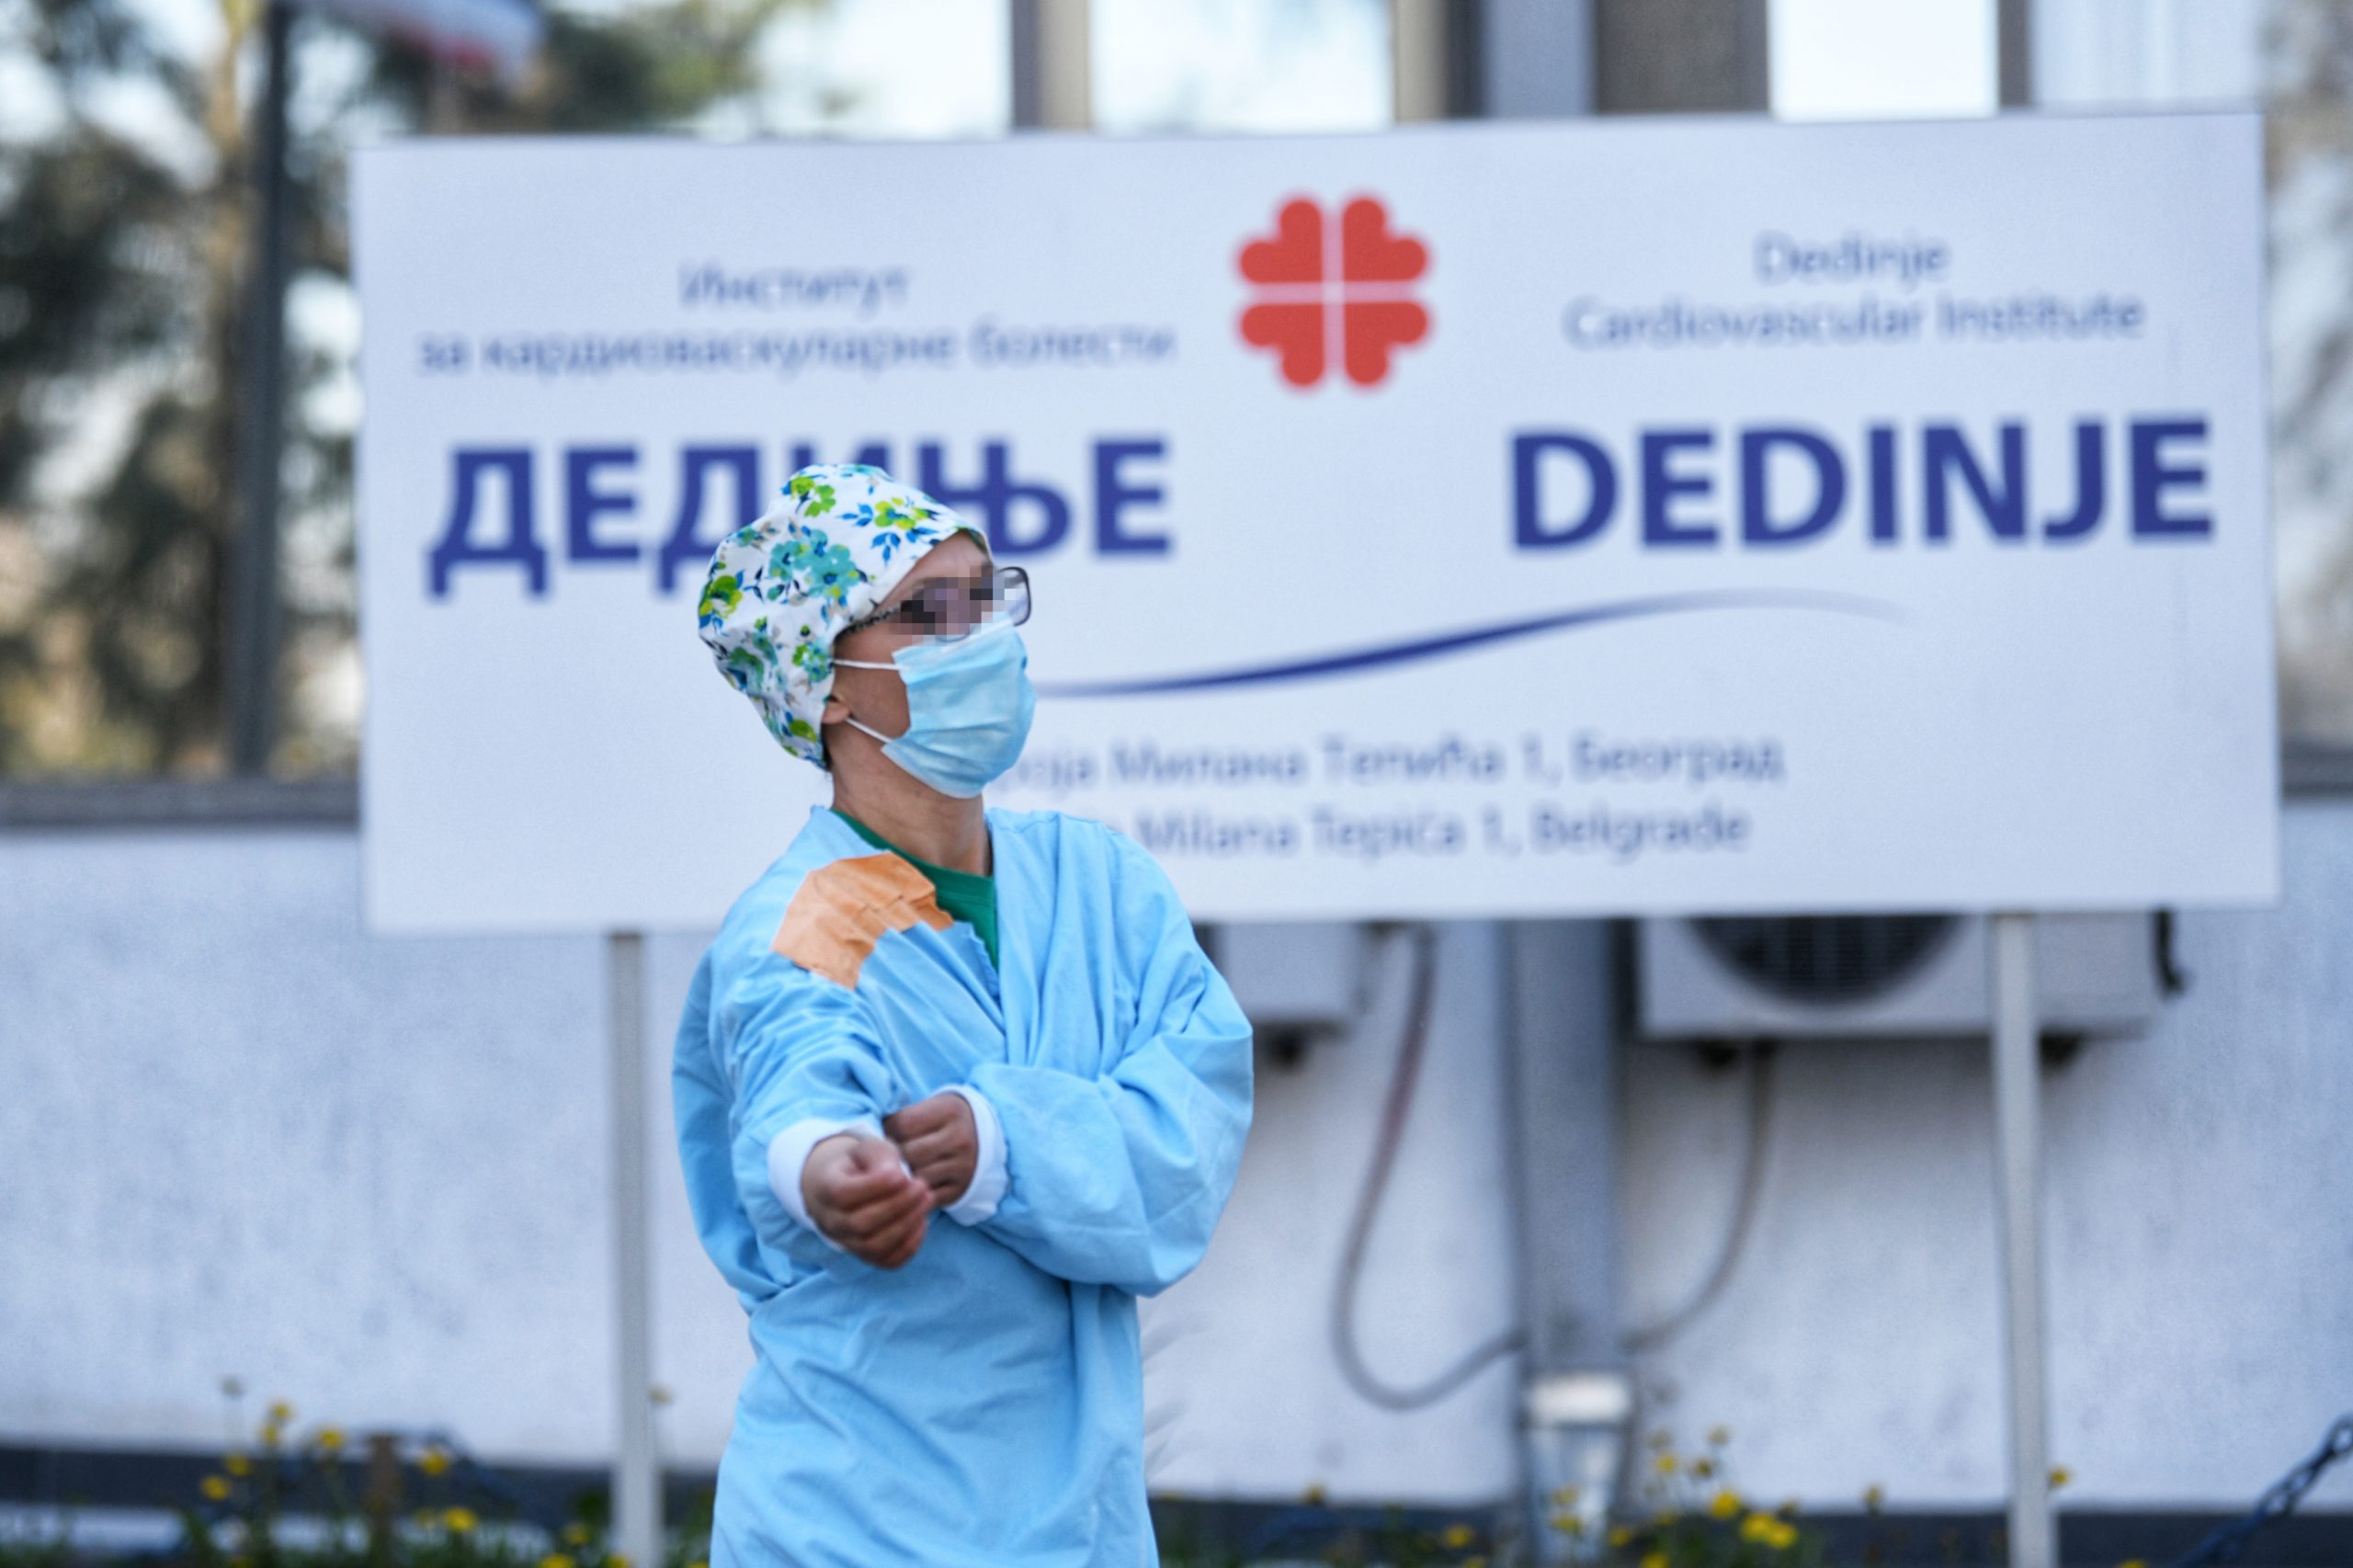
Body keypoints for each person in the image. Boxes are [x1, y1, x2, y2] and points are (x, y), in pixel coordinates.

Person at [671, 462, 1256, 1566]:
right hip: (851, 1526)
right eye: (928, 612)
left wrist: (1001, 1145)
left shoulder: (1101, 887)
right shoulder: (808, 919)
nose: (978, 634)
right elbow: (794, 1079)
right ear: (825, 682)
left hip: (1078, 1531)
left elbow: (1190, 1141)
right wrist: (829, 1167)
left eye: (986, 597)